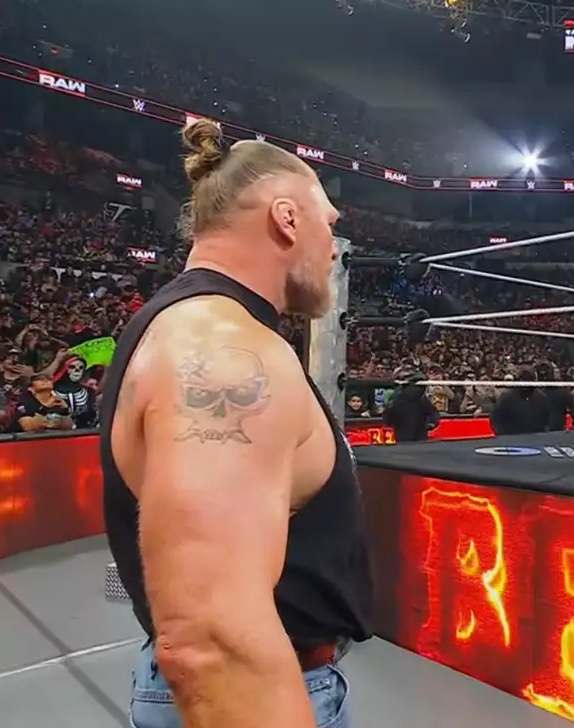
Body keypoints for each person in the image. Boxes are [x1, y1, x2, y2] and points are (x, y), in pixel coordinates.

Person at [100, 119, 372, 728]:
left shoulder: (195, 325)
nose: (335, 248)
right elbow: (210, 638)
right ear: (287, 218)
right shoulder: (223, 348)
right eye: (329, 223)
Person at [383, 369, 439, 442]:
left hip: (415, 438)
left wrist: (431, 424)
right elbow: (387, 418)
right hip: (406, 438)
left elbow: (433, 414)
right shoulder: (397, 399)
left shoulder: (421, 399)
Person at [490, 367, 549, 435]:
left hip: (536, 438)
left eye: (528, 380)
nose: (525, 383)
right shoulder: (506, 398)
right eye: (523, 379)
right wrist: (504, 437)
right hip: (512, 438)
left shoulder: (541, 397)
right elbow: (496, 420)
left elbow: (547, 420)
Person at [537, 361, 574, 431]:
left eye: (546, 373)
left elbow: (573, 405)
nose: (544, 375)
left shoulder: (562, 392)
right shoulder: (536, 392)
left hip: (557, 429)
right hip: (542, 429)